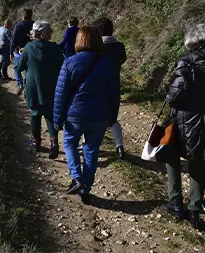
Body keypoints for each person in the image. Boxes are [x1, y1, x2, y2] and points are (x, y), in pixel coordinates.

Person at [54, 26, 120, 204]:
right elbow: (115, 94)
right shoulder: (108, 64)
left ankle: (77, 178)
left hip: (74, 114)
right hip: (99, 115)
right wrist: (112, 117)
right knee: (91, 150)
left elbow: (61, 93)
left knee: (69, 143)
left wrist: (57, 118)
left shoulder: (69, 62)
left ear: (79, 40)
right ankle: (86, 189)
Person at [162, 24, 205, 230]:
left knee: (171, 154)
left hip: (186, 120)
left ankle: (176, 202)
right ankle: (196, 209)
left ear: (193, 41)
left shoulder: (187, 62)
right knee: (198, 161)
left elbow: (174, 98)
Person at [18, 20, 64, 159]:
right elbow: (62, 65)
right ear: (44, 34)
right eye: (50, 31)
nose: (51, 33)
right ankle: (54, 141)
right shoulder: (54, 48)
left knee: (35, 114)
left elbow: (20, 66)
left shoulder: (28, 47)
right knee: (50, 114)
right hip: (51, 86)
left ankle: (36, 142)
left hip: (32, 86)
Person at [93, 17, 127, 159]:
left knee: (94, 117)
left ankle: (91, 145)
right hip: (115, 84)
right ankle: (119, 147)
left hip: (98, 85)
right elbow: (123, 59)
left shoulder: (97, 47)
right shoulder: (119, 46)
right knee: (112, 118)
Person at [10, 9, 34, 95]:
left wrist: (11, 51)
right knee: (29, 70)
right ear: (31, 15)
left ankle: (20, 84)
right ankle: (27, 88)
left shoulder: (19, 25)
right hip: (32, 51)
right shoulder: (34, 25)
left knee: (17, 68)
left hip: (19, 51)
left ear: (22, 16)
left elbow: (14, 39)